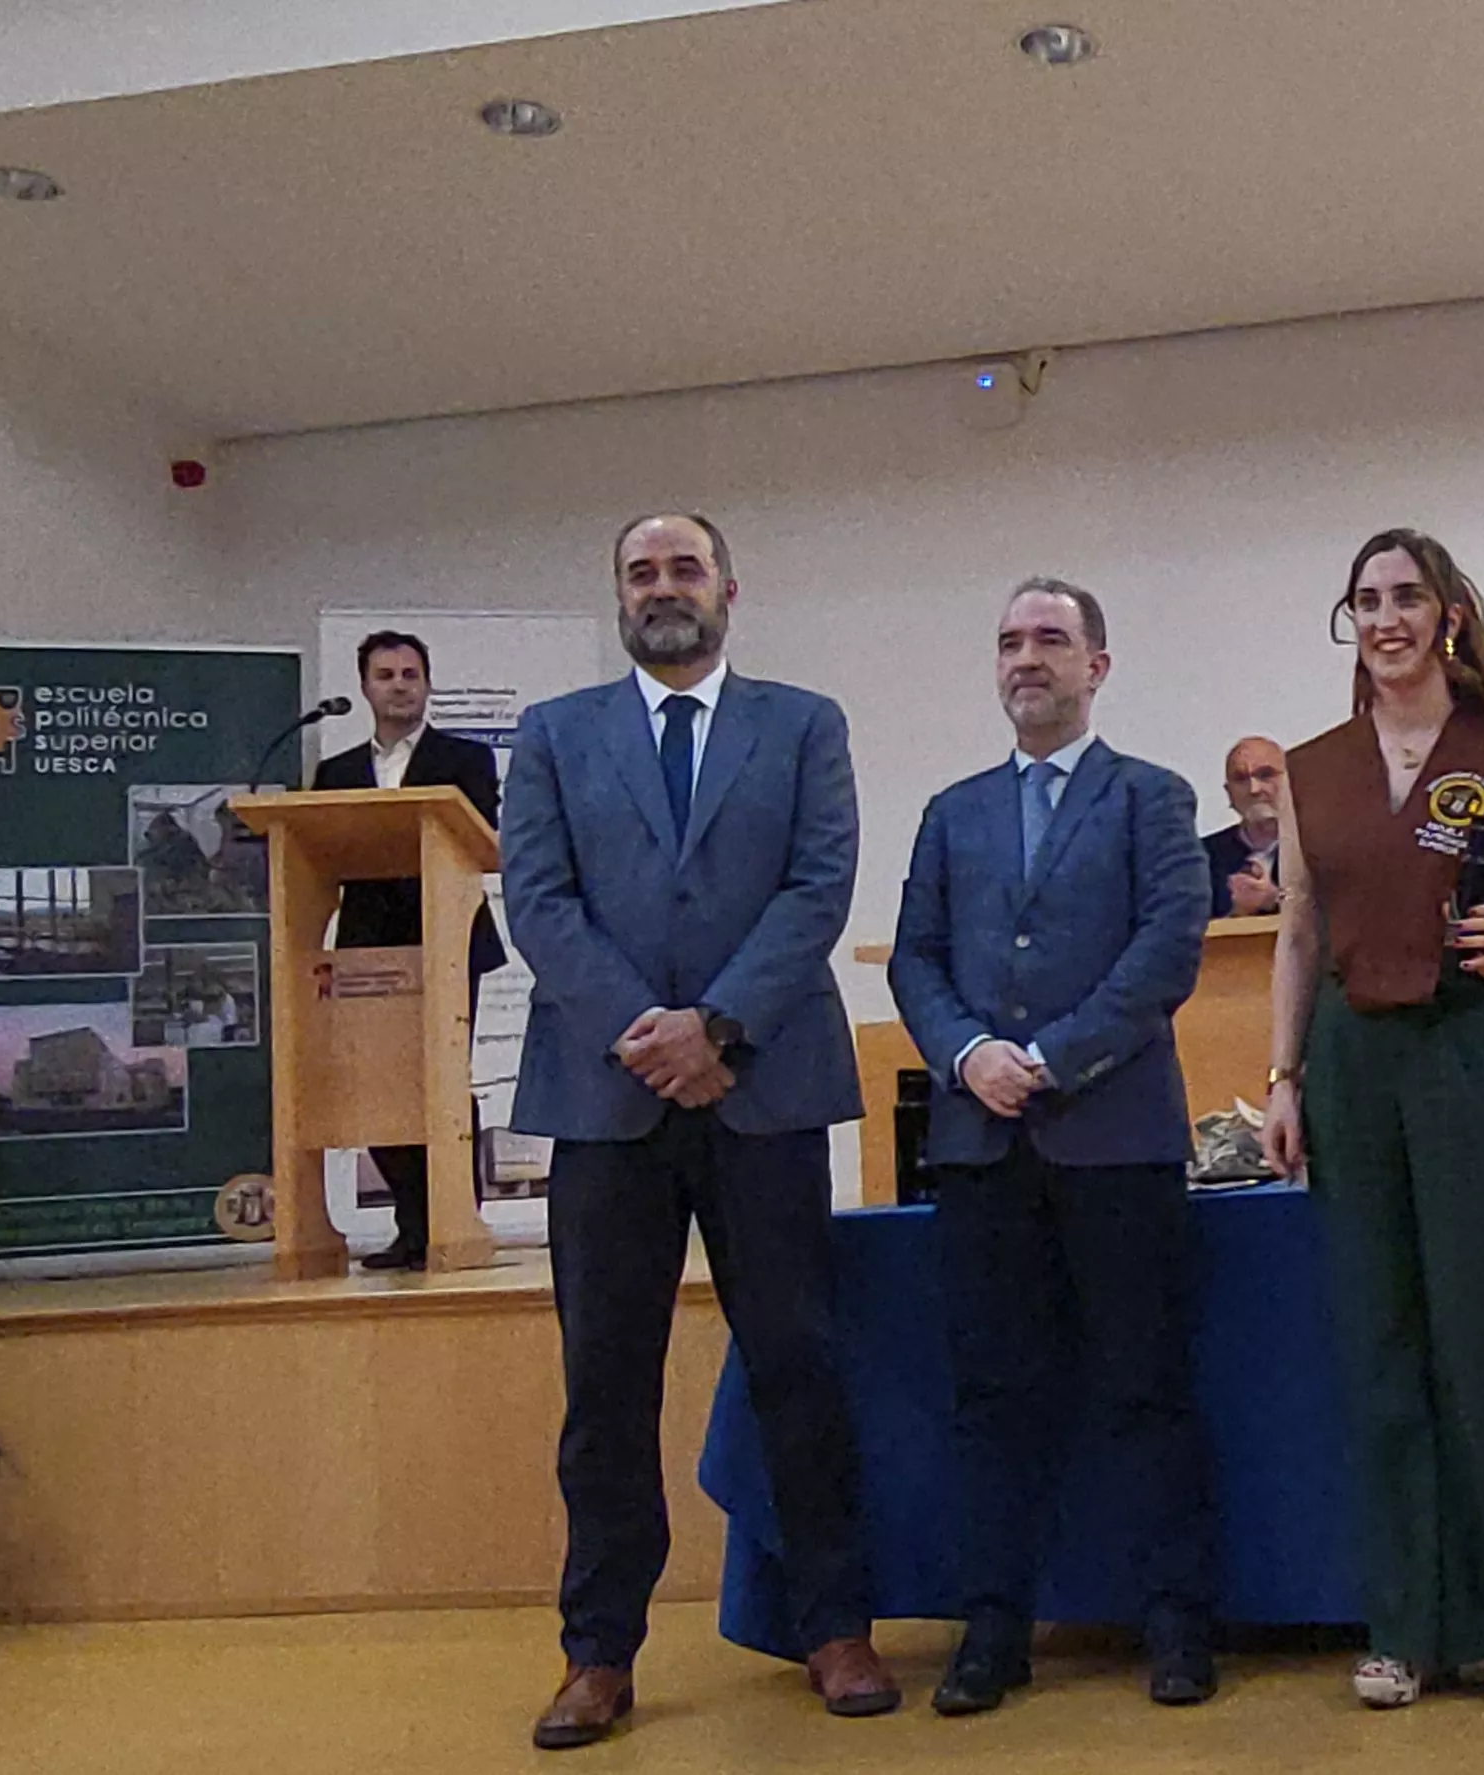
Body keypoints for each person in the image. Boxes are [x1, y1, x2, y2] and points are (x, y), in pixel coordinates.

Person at [503, 513, 894, 1748]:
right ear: (617, 596)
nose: (662, 587)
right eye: (640, 572)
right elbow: (538, 899)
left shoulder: (805, 723)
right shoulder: (554, 733)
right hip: (605, 1097)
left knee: (799, 1365)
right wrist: (646, 1030)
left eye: (684, 568)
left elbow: (818, 886)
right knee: (604, 1384)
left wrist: (715, 1028)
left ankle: (833, 1624)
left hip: (760, 1087)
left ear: (729, 587)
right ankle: (598, 1649)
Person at [1257, 528, 1484, 1709]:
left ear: (1448, 613)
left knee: (1480, 1344)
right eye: (1367, 600)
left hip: (1468, 1049)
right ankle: (1401, 1623)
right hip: (1351, 1059)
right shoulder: (1313, 767)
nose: (1386, 618)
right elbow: (1299, 927)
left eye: (1407, 596)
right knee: (1379, 1344)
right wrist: (1283, 1076)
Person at [888, 578, 1221, 1714]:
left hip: (1116, 1140)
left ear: (1097, 665)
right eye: (1008, 642)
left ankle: (1176, 1622)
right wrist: (969, 1051)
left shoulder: (1152, 797)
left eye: (1049, 639)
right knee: (992, 1397)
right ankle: (993, 1629)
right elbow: (914, 958)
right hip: (982, 1145)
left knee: (1146, 1387)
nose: (1026, 658)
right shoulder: (952, 811)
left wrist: (1050, 1055)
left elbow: (1166, 948)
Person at [311, 629, 505, 1271]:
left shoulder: (465, 759)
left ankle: (454, 1222)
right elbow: (321, 851)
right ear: (365, 688)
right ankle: (411, 1225)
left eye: (410, 675)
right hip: (369, 946)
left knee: (443, 1082)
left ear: (427, 684)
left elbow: (481, 837)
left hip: (446, 939)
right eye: (386, 675)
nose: (399, 686)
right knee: (379, 1082)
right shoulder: (336, 773)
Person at [1202, 736, 1287, 919]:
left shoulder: (1318, 848)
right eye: (1240, 779)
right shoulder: (1202, 856)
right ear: (1228, 793)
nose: (1254, 789)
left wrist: (1275, 900)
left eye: (1266, 775)